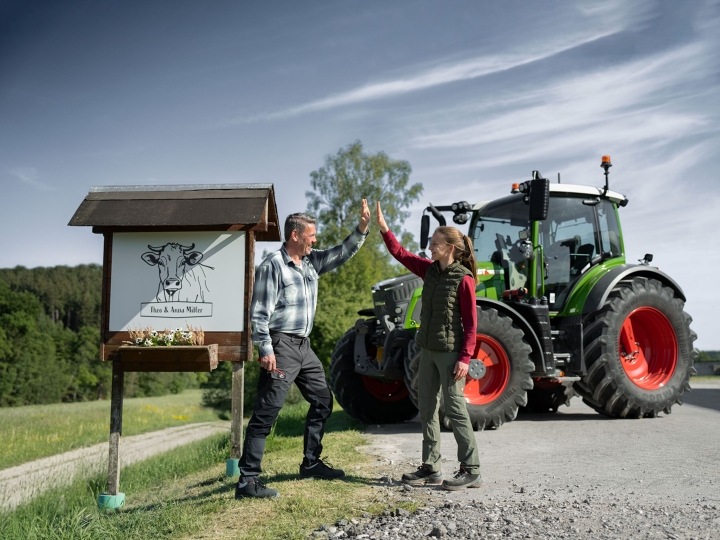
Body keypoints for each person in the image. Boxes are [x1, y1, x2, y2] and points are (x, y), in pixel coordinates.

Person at [235, 200, 371, 499]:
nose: (315, 239)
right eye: (311, 235)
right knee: (267, 412)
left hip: (304, 347)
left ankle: (311, 463)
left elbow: (342, 252)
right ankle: (247, 481)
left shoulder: (311, 262)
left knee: (323, 400)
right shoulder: (273, 266)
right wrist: (266, 349)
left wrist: (361, 227)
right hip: (281, 345)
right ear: (295, 235)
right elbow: (258, 313)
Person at [376, 201, 482, 491]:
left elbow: (472, 325)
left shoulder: (464, 280)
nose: (430, 248)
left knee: (456, 409)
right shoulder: (429, 270)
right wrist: (385, 229)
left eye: (435, 244)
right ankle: (431, 466)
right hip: (427, 350)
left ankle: (471, 469)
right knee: (427, 408)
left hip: (450, 354)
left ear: (450, 248)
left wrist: (465, 357)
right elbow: (400, 253)